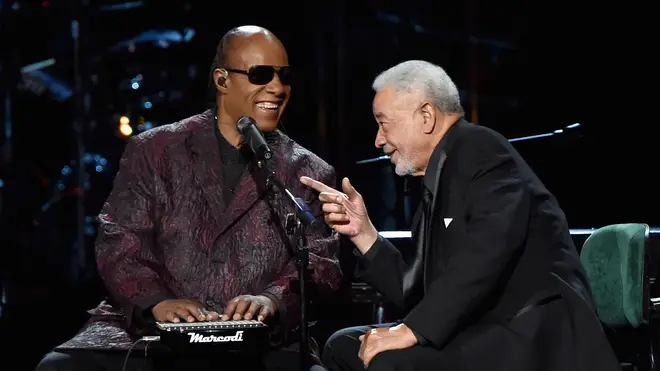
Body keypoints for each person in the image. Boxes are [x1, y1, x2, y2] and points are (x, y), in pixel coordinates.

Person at [34, 25, 342, 371]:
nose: (277, 87)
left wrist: (271, 300)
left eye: (283, 76)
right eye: (260, 74)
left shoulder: (308, 171)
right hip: (146, 331)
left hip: (259, 341)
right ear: (222, 80)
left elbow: (321, 264)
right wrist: (157, 302)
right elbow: (120, 241)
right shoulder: (154, 150)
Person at [301, 60, 621, 371]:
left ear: (426, 116)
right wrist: (363, 231)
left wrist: (411, 330)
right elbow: (417, 293)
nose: (378, 139)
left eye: (384, 123)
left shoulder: (481, 150)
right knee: (344, 346)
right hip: (480, 327)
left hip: (531, 333)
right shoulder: (440, 177)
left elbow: (491, 248)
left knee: (388, 361)